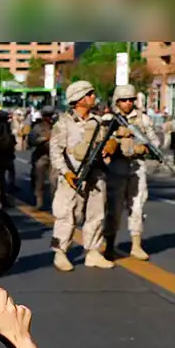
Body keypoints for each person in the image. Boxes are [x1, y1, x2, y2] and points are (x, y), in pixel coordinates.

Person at [49, 81, 114, 272]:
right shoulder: (64, 123)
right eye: (90, 94)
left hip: (96, 174)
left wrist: (110, 146)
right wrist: (66, 172)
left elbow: (105, 143)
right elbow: (55, 152)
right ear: (79, 99)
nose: (93, 97)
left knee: (97, 214)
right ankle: (60, 252)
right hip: (72, 176)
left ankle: (93, 251)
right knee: (67, 214)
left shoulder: (97, 122)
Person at [102, 85, 158, 262]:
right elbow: (99, 142)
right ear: (117, 101)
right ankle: (109, 245)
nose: (127, 103)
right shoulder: (108, 119)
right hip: (115, 169)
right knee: (113, 209)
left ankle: (136, 244)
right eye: (124, 100)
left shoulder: (142, 119)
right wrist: (115, 140)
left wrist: (144, 146)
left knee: (137, 207)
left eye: (130, 100)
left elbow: (155, 141)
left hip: (136, 168)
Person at [28, 106, 56, 210]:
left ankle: (54, 203)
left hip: (54, 156)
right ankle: (39, 201)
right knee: (39, 181)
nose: (50, 118)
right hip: (41, 156)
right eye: (47, 115)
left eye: (51, 115)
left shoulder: (56, 126)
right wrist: (43, 139)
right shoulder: (37, 127)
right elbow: (31, 141)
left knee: (54, 182)